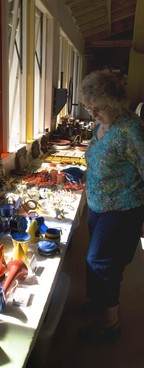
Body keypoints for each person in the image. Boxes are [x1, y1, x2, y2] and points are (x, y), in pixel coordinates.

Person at [78, 69, 144, 343]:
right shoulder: (100, 125)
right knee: (96, 258)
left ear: (116, 102)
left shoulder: (131, 130)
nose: (92, 115)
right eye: (88, 108)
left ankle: (110, 325)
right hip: (97, 205)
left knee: (101, 262)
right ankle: (98, 302)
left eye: (97, 108)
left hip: (122, 208)